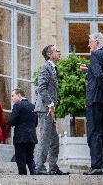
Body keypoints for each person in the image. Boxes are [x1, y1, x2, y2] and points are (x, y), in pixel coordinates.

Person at [79, 32, 103, 175]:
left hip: (96, 99)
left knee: (94, 134)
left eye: (90, 42)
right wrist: (88, 69)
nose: (88, 45)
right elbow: (100, 73)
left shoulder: (95, 55)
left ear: (96, 42)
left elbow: (100, 76)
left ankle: (97, 167)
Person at [35, 45, 69, 175]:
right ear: (49, 54)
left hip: (49, 109)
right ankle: (39, 167)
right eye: (56, 50)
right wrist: (50, 104)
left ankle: (53, 167)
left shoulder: (53, 68)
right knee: (44, 138)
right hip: (45, 109)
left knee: (54, 140)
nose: (59, 51)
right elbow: (41, 88)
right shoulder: (45, 68)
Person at [9, 88, 37, 175]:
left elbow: (13, 120)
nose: (12, 98)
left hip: (20, 137)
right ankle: (35, 176)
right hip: (31, 136)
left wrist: (10, 123)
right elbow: (35, 123)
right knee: (30, 158)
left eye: (13, 96)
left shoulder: (18, 105)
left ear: (19, 95)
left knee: (20, 159)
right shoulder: (33, 106)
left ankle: (23, 179)